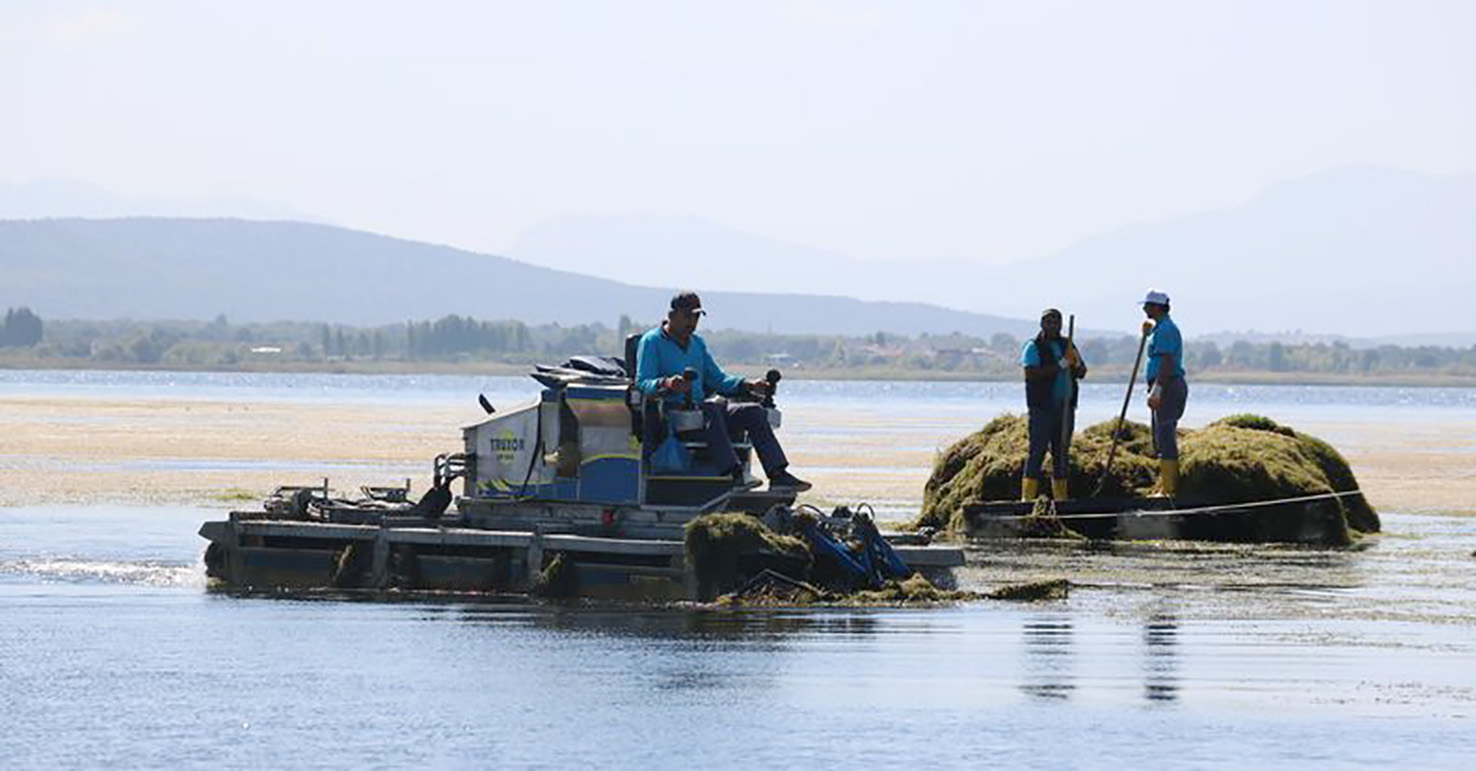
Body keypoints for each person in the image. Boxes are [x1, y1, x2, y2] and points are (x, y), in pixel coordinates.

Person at [635, 291, 811, 492]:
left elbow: (718, 380)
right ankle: (733, 473)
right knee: (711, 409)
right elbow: (642, 383)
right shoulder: (651, 342)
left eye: (696, 317)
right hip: (670, 416)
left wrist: (748, 385)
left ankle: (778, 474)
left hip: (702, 413)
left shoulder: (697, 344)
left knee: (753, 412)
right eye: (687, 316)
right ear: (672, 315)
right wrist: (667, 383)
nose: (692, 322)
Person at [1020, 308, 1087, 500]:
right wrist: (1060, 365)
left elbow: (1082, 372)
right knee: (1037, 451)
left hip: (1065, 408)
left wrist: (1075, 364)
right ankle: (1027, 498)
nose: (1052, 326)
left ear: (1060, 324)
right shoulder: (1034, 347)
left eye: (1056, 322)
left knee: (1062, 452)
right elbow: (1031, 374)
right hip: (1042, 408)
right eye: (1048, 322)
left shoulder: (1067, 344)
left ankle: (1061, 498)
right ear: (1042, 324)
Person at [1141, 289, 1187, 496]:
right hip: (1162, 384)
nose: (1144, 309)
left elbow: (1167, 362)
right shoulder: (1159, 329)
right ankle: (1166, 485)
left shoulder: (1166, 329)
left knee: (1165, 433)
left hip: (1168, 385)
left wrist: (1157, 389)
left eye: (1148, 305)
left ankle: (1170, 489)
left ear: (1158, 307)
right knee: (1160, 434)